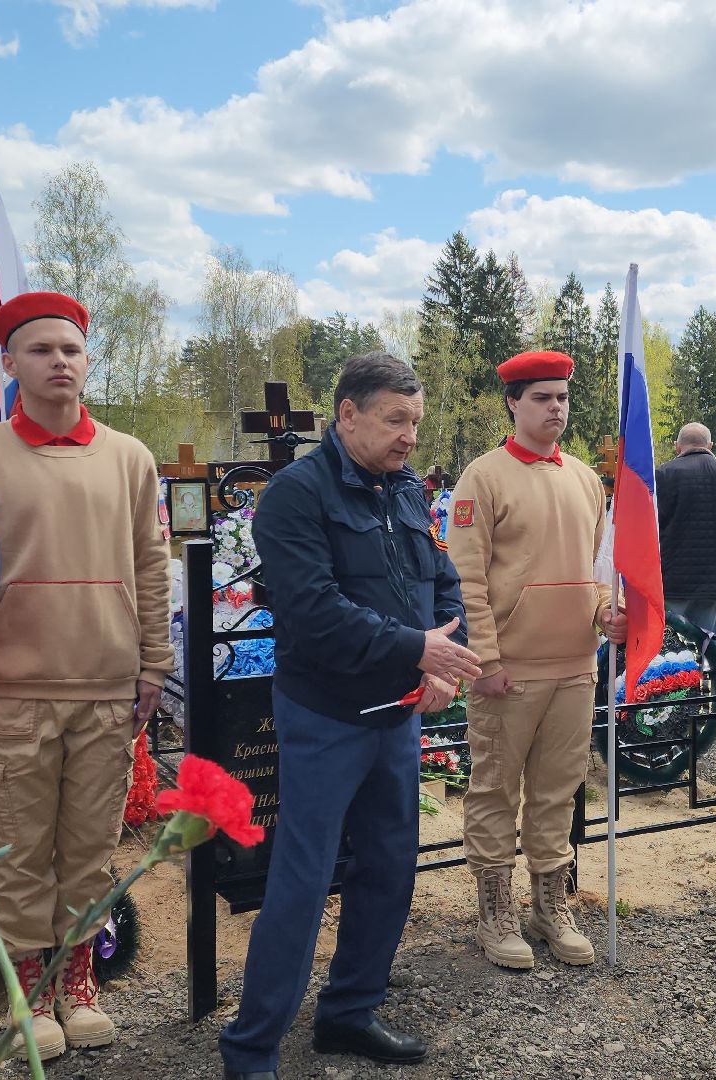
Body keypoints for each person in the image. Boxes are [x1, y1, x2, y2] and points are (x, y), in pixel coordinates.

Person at [0, 292, 172, 1060]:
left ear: (87, 361)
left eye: (71, 350)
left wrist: (155, 662)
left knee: (86, 850)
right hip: (14, 688)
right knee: (18, 849)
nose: (59, 363)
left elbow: (151, 565)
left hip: (108, 687)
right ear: (8, 363)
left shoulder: (130, 458)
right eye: (41, 350)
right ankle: (26, 994)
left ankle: (74, 983)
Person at [219, 353, 481, 1080]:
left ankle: (348, 1011)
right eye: (396, 420)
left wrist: (439, 653)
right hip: (326, 716)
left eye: (416, 423)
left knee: (391, 868)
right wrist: (416, 650)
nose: (409, 438)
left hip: (396, 716)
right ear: (348, 415)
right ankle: (251, 1046)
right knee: (301, 883)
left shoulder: (403, 491)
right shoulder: (295, 497)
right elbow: (314, 611)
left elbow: (444, 583)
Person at [448, 351, 625, 971]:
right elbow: (468, 577)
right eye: (543, 398)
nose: (556, 408)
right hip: (509, 671)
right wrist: (486, 658)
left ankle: (551, 905)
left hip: (576, 664)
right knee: (496, 788)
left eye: (563, 398)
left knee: (559, 790)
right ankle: (495, 913)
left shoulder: (583, 479)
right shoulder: (484, 477)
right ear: (513, 404)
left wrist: (606, 613)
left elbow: (598, 569)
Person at [655, 422, 716, 644]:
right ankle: (705, 678)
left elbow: (651, 530)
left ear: (677, 446)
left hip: (672, 580)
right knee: (707, 648)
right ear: (710, 445)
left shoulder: (662, 475)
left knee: (672, 648)